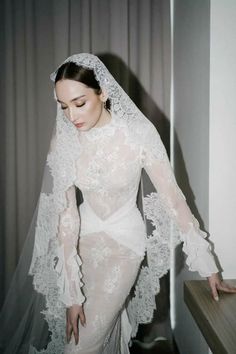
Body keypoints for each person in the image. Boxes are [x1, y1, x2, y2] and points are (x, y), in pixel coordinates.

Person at [1, 53, 236, 354]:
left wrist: (209, 268)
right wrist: (72, 293)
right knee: (76, 339)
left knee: (82, 346)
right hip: (83, 241)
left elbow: (173, 200)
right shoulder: (65, 140)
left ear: (104, 92)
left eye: (79, 102)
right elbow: (67, 215)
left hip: (125, 245)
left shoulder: (138, 134)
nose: (71, 116)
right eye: (63, 106)